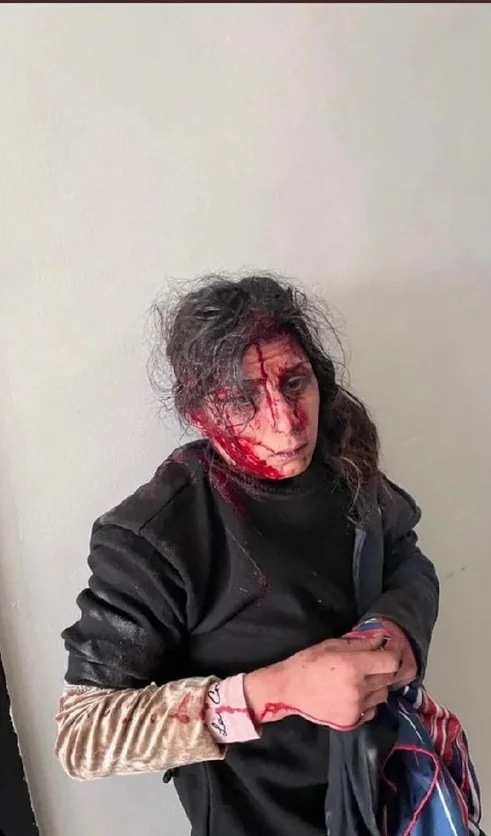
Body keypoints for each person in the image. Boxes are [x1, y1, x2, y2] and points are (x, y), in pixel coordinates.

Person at [56, 273, 440, 836]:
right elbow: (84, 735)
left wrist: (398, 627)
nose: (286, 424)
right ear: (198, 412)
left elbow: (405, 555)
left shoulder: (340, 452)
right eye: (242, 400)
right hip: (262, 819)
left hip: (385, 785)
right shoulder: (155, 536)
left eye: (294, 383)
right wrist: (277, 692)